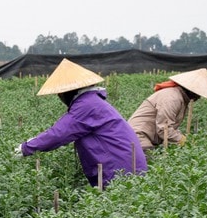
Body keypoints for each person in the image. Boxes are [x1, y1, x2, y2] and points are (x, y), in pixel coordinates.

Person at [16, 58, 147, 187]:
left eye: (60, 93)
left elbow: (58, 134)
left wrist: (25, 148)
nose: (60, 97)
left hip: (120, 169)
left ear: (69, 91)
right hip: (125, 165)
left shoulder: (87, 105)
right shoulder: (91, 101)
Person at [127, 68, 207, 151]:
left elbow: (169, 126)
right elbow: (164, 129)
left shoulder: (179, 97)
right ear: (190, 90)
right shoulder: (172, 98)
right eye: (198, 93)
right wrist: (184, 141)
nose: (199, 97)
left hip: (146, 137)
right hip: (138, 137)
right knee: (146, 164)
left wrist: (182, 138)